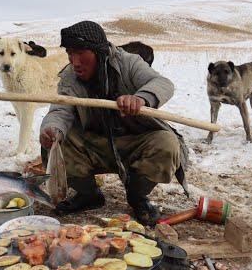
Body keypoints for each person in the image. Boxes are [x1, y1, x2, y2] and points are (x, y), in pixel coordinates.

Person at [39, 21, 189, 226]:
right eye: (70, 53)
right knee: (57, 142)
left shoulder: (128, 62)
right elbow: (60, 111)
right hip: (94, 146)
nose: (74, 62)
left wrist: (141, 98)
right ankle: (89, 195)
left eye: (81, 53)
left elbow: (163, 84)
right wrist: (52, 130)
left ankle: (138, 198)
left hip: (134, 143)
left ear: (98, 51)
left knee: (167, 143)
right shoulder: (70, 78)